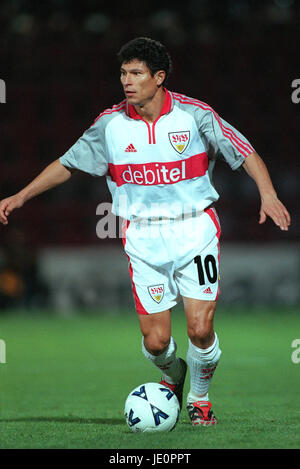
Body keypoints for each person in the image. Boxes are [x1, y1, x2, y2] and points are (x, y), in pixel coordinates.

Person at [0, 37, 291, 426]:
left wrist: (268, 195)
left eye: (136, 73)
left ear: (159, 77)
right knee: (156, 344)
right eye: (123, 73)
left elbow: (245, 151)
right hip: (142, 238)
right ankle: (174, 374)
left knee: (200, 329)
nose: (127, 80)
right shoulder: (110, 125)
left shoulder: (194, 115)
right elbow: (68, 163)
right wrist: (22, 195)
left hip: (195, 231)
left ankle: (200, 399)